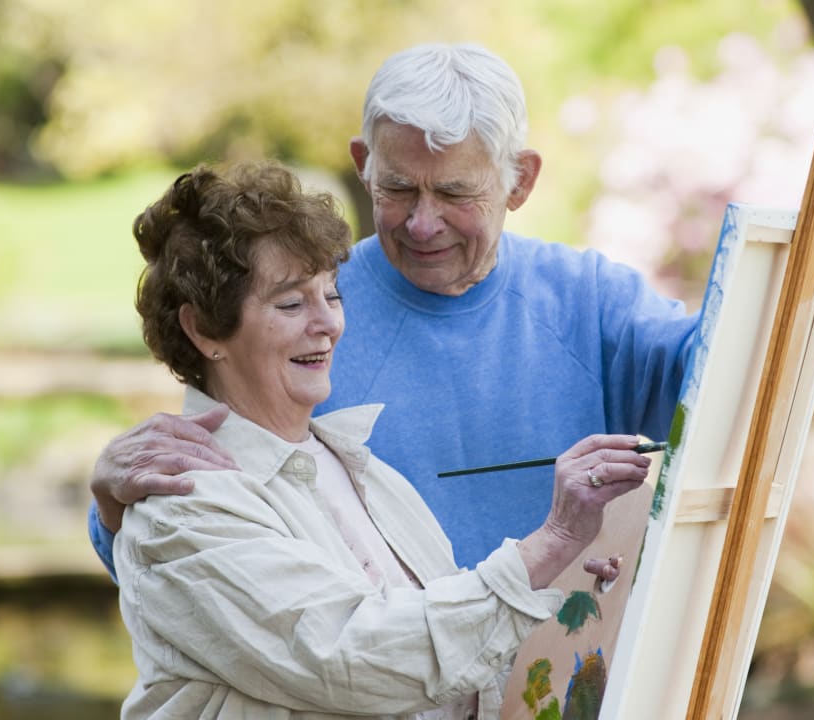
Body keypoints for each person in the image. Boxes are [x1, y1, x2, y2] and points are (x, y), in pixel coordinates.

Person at [89, 42, 701, 575]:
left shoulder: (591, 303)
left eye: (456, 192)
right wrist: (112, 512)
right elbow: (195, 550)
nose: (423, 222)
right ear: (363, 166)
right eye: (398, 188)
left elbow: (733, 374)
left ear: (520, 181)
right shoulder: (300, 318)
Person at [117, 160, 649, 718]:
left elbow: (457, 663)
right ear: (203, 329)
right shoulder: (182, 509)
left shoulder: (360, 468)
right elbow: (357, 659)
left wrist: (574, 587)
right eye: (292, 303)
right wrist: (552, 541)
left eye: (332, 295)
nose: (328, 324)